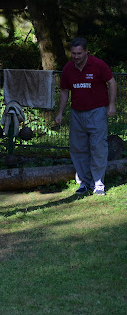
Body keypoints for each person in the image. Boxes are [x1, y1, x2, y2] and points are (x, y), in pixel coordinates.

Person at [55, 37, 117, 196]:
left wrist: (111, 105)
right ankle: (83, 182)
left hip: (97, 112)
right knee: (78, 148)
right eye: (73, 53)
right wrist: (60, 113)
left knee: (98, 147)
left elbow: (112, 82)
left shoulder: (98, 65)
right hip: (77, 113)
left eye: (79, 53)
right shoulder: (68, 69)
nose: (76, 57)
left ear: (86, 51)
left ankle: (98, 183)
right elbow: (64, 92)